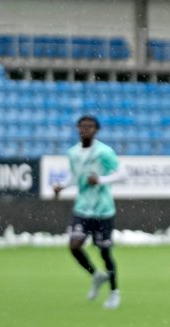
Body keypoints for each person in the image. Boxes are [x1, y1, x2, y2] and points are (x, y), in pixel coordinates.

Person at [53, 115, 126, 310]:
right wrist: (62, 185)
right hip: (83, 208)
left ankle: (114, 292)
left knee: (104, 252)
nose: (85, 130)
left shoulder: (104, 152)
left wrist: (101, 180)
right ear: (78, 129)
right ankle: (96, 276)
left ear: (96, 130)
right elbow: (75, 175)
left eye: (90, 127)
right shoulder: (73, 153)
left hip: (103, 209)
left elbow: (122, 174)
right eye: (82, 126)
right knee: (74, 245)